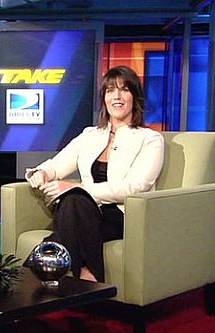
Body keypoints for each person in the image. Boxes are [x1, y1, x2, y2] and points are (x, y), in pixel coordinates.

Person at [26, 65, 164, 282]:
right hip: (86, 211)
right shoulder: (90, 135)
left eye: (124, 90)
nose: (116, 97)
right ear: (104, 98)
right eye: (110, 90)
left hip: (123, 214)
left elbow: (136, 187)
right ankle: (88, 277)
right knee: (73, 204)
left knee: (73, 201)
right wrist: (42, 172)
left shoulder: (150, 139)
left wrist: (80, 189)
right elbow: (57, 165)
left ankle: (23, 280)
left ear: (134, 97)